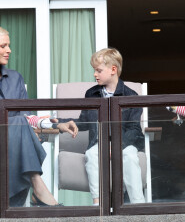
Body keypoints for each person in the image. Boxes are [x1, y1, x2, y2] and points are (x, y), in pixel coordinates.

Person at [55, 48, 145, 206]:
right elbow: (85, 120)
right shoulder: (92, 94)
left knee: (130, 156)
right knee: (91, 154)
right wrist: (61, 122)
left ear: (113, 70)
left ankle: (138, 205)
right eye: (94, 71)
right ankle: (98, 203)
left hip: (125, 143)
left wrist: (117, 145)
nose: (95, 74)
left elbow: (134, 129)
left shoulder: (131, 96)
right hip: (99, 142)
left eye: (98, 70)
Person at [0, 26, 78, 207]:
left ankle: (35, 188)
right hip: (8, 145)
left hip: (11, 146)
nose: (9, 50)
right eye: (3, 46)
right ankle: (38, 188)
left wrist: (54, 124)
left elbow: (25, 118)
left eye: (9, 45)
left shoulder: (15, 78)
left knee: (19, 123)